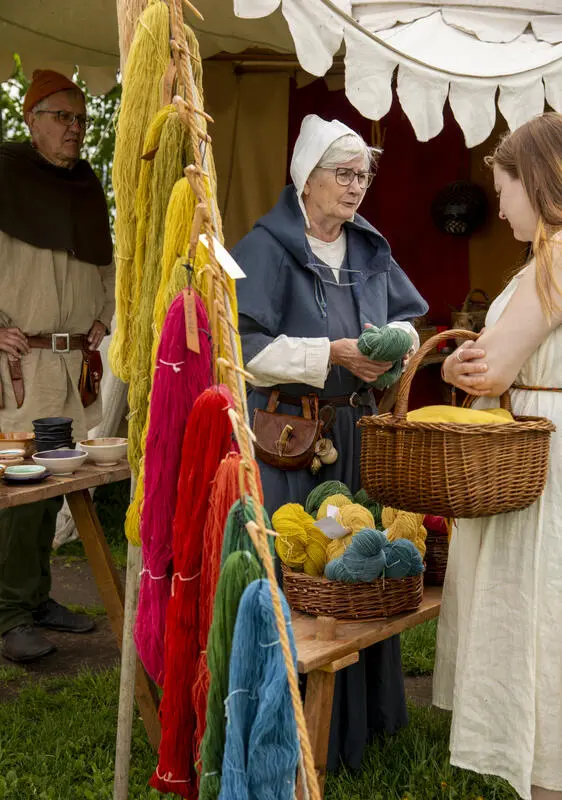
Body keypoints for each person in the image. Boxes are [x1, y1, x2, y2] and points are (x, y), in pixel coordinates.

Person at [233, 114, 428, 770]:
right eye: (343, 175)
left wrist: (394, 347)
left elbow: (405, 320)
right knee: (303, 566)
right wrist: (329, 353)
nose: (355, 187)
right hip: (290, 435)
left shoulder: (368, 248)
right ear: (306, 179)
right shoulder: (263, 248)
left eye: (362, 175)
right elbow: (240, 348)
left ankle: (363, 723)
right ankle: (290, 727)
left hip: (355, 428)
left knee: (357, 567)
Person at [433, 112, 562, 800]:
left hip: (544, 462)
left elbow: (491, 370)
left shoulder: (560, 252)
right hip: (541, 446)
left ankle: (547, 771)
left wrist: (458, 366)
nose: (501, 204)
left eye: (504, 186)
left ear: (532, 183)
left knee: (541, 605)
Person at [0, 70, 115, 663]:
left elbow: (104, 266)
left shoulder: (83, 182)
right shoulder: (4, 174)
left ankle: (36, 597)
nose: (75, 129)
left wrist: (103, 315)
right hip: (22, 364)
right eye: (62, 118)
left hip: (74, 362)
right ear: (31, 120)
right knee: (21, 484)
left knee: (51, 483)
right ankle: (10, 613)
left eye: (80, 119)